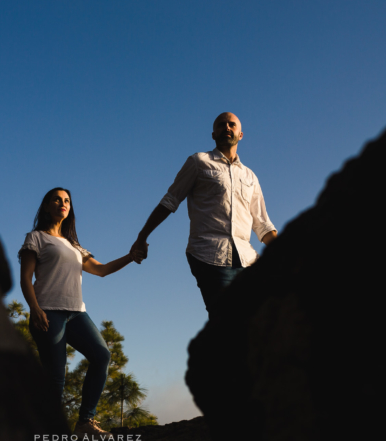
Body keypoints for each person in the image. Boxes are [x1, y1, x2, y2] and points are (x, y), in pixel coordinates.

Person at [18, 187, 141, 437]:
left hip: (76, 313)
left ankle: (85, 423)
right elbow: (25, 278)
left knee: (102, 356)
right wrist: (35, 309)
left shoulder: (74, 245)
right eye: (57, 199)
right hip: (48, 311)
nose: (63, 203)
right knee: (55, 377)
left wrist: (131, 256)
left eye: (67, 201)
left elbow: (102, 270)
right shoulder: (36, 237)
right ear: (46, 206)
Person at [130, 112, 277, 312]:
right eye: (221, 125)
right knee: (226, 319)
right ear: (213, 134)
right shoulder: (199, 162)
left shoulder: (250, 176)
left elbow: (262, 224)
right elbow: (170, 200)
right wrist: (142, 236)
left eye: (232, 125)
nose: (227, 127)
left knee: (257, 319)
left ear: (240, 134)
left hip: (247, 260)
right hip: (209, 255)